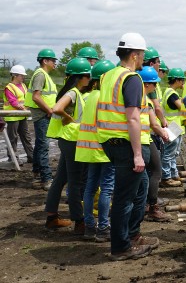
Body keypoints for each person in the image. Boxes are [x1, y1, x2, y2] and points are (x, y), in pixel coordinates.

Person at [96, 32, 158, 261]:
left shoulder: (108, 76)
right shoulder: (131, 79)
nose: (143, 59)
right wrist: (138, 154)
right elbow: (132, 117)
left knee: (140, 188)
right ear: (134, 55)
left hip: (110, 141)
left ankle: (132, 235)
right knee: (124, 197)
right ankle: (121, 247)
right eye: (142, 54)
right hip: (125, 144)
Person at [43, 57, 92, 232]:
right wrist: (67, 117)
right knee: (75, 182)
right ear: (81, 77)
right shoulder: (73, 93)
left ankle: (51, 217)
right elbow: (57, 108)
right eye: (88, 75)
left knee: (60, 179)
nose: (90, 79)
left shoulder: (73, 92)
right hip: (72, 141)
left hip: (67, 140)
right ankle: (79, 222)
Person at [75, 59, 116, 242]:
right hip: (104, 149)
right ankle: (103, 228)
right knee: (106, 188)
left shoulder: (90, 95)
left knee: (90, 187)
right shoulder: (105, 97)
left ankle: (89, 227)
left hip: (89, 149)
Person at [141, 47, 170, 222]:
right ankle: (151, 206)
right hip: (144, 137)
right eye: (158, 62)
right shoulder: (145, 93)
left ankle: (145, 204)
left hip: (138, 137)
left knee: (145, 173)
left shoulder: (135, 88)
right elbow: (153, 117)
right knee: (156, 170)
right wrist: (163, 130)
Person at [24, 48, 58, 190]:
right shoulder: (40, 75)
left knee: (40, 145)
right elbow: (36, 97)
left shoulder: (44, 75)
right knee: (44, 147)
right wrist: (49, 110)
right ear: (45, 61)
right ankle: (46, 179)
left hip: (43, 114)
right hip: (43, 115)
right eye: (53, 60)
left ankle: (37, 174)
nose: (55, 63)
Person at [160, 68, 186, 187]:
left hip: (173, 126)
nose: (183, 83)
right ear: (177, 80)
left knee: (173, 153)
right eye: (182, 80)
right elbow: (182, 107)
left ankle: (174, 174)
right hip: (172, 127)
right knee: (169, 154)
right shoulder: (172, 94)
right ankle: (166, 177)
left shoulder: (168, 92)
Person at [3, 65, 33, 164]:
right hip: (12, 116)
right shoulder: (9, 87)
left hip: (22, 115)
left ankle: (31, 156)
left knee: (26, 136)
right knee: (13, 138)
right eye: (21, 75)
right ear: (15, 75)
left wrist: (28, 107)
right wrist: (25, 109)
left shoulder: (23, 85)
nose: (23, 77)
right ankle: (13, 158)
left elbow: (27, 98)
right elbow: (13, 102)